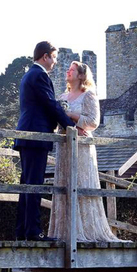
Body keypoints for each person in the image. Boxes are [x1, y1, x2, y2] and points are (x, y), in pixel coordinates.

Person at [48, 61, 119, 242]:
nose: (68, 71)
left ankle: (86, 232)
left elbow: (93, 122)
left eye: (72, 70)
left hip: (81, 147)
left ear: (81, 75)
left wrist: (70, 115)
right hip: (64, 146)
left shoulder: (88, 95)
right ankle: (63, 232)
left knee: (81, 183)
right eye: (68, 69)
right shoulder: (63, 96)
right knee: (64, 184)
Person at [14, 41, 76, 242]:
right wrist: (70, 126)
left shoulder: (29, 74)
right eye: (54, 57)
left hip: (29, 135)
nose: (56, 62)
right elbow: (50, 104)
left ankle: (23, 231)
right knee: (34, 185)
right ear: (45, 56)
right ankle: (33, 233)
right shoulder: (39, 75)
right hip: (35, 135)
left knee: (27, 184)